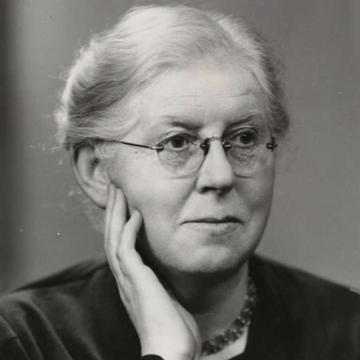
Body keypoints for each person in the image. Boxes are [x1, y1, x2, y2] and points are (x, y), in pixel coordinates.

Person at [0, 4, 359, 360]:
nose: (220, 176)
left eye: (245, 138)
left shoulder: (348, 328)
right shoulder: (26, 339)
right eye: (177, 142)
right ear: (97, 170)